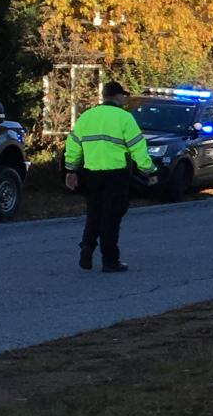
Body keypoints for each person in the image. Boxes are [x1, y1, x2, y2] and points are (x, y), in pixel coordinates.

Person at [63, 81, 158, 273]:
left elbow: (72, 145)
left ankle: (87, 245)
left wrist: (71, 170)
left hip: (91, 174)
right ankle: (110, 260)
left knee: (94, 212)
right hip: (116, 174)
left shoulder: (86, 117)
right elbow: (138, 148)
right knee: (111, 216)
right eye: (123, 95)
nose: (124, 98)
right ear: (116, 96)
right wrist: (150, 171)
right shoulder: (124, 118)